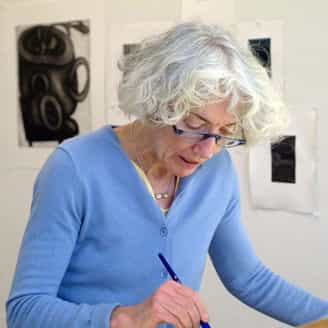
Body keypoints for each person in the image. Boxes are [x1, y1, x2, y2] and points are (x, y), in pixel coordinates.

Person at [6, 22, 328, 328]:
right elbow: (25, 310)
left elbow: (248, 278)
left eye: (224, 132)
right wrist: (124, 318)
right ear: (155, 104)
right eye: (194, 126)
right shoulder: (74, 169)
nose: (207, 151)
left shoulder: (217, 171)